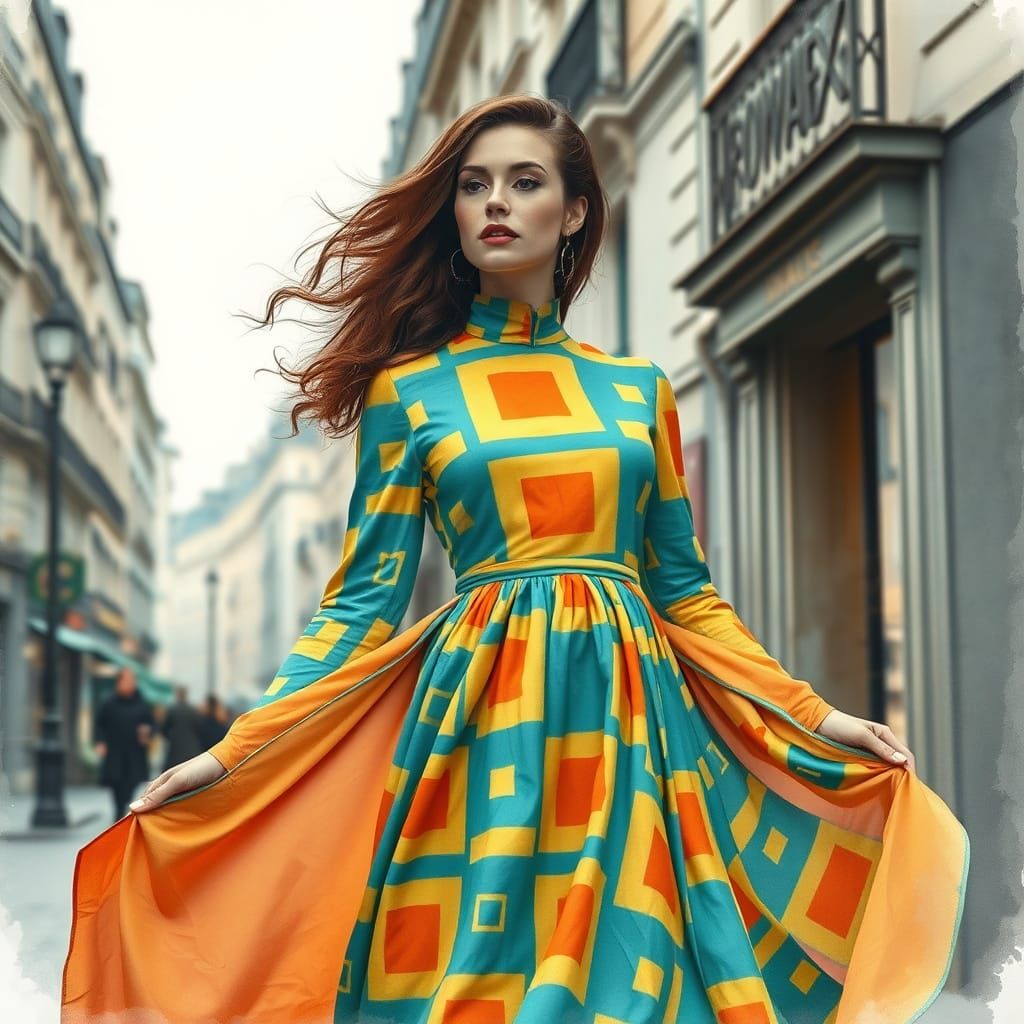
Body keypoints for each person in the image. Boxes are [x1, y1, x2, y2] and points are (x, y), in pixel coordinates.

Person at [63, 95, 968, 1024]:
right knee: (480, 991)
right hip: (477, 738)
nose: (494, 201)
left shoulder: (637, 391)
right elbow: (361, 606)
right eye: (474, 185)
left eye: (524, 182)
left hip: (633, 738)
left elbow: (687, 597)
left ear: (573, 211)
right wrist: (235, 750)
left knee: (638, 986)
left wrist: (814, 715)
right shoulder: (409, 392)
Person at [91, 666, 155, 824]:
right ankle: (119, 812)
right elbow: (99, 724)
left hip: (134, 754)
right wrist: (100, 742)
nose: (130, 684)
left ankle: (123, 809)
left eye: (132, 680)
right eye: (127, 680)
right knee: (116, 783)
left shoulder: (141, 702)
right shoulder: (109, 702)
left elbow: (152, 724)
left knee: (131, 783)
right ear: (119, 682)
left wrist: (147, 731)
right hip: (115, 752)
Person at [158, 685, 209, 773]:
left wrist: (171, 736)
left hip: (175, 751)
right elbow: (200, 730)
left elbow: (164, 730)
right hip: (191, 751)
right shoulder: (193, 711)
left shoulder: (171, 710)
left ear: (177, 695)